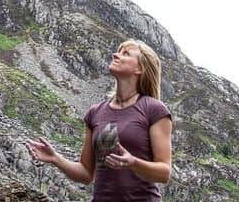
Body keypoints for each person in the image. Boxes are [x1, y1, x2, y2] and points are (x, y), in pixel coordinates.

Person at [25, 39, 173, 201]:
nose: (115, 55)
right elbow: (86, 173)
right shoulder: (95, 112)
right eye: (118, 51)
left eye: (125, 53)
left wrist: (133, 163)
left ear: (139, 68)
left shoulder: (153, 109)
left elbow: (164, 172)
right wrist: (55, 158)